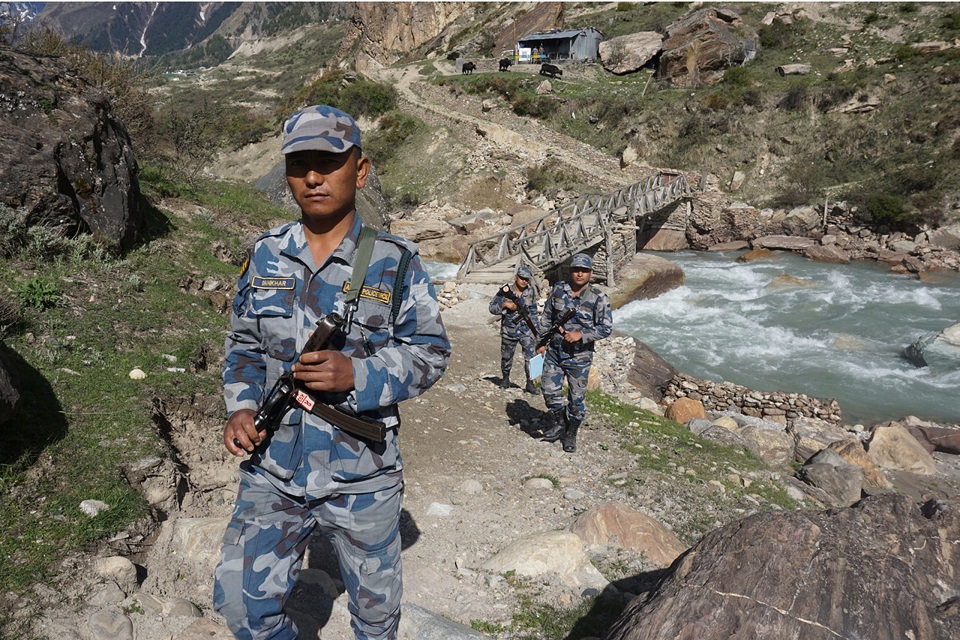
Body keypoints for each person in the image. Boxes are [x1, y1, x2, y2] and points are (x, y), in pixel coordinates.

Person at [214, 104, 450, 640]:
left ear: (360, 170)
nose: (314, 177)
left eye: (329, 161)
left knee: (374, 617)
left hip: (362, 474)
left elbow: (431, 351)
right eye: (300, 165)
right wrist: (242, 407)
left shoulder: (395, 260)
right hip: (272, 468)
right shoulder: (266, 254)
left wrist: (358, 376)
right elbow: (244, 345)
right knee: (240, 607)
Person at [536, 253, 612, 453]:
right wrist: (541, 341)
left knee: (576, 399)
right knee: (549, 389)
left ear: (590, 273)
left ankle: (571, 432)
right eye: (576, 270)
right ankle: (560, 422)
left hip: (579, 357)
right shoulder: (559, 290)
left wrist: (582, 335)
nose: (580, 274)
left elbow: (606, 328)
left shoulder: (598, 297)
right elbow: (547, 317)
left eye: (584, 271)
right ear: (571, 271)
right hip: (555, 351)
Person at [488, 265, 539, 394]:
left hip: (526, 330)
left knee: (531, 357)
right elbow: (492, 308)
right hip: (509, 330)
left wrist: (536, 331)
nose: (524, 281)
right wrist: (505, 304)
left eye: (527, 279)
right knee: (506, 356)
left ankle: (530, 382)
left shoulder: (530, 291)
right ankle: (505, 379)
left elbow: (533, 311)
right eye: (521, 278)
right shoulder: (505, 291)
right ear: (516, 277)